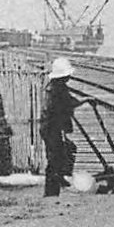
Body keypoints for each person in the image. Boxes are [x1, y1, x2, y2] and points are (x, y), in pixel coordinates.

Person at [40, 56, 85, 197]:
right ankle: (56, 185)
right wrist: (84, 101)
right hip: (53, 128)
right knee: (56, 157)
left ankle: (56, 185)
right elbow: (68, 102)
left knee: (58, 155)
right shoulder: (57, 89)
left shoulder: (55, 87)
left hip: (51, 127)